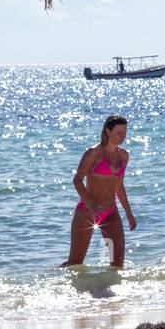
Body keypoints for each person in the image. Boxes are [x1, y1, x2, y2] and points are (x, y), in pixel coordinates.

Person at [60, 114, 137, 268]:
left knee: (118, 264)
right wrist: (91, 205)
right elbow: (77, 180)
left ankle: (112, 290)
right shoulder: (93, 153)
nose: (123, 137)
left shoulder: (123, 156)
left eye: (125, 133)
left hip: (111, 212)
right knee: (75, 263)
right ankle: (51, 281)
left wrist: (128, 212)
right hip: (87, 212)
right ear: (108, 132)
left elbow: (119, 186)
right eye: (119, 133)